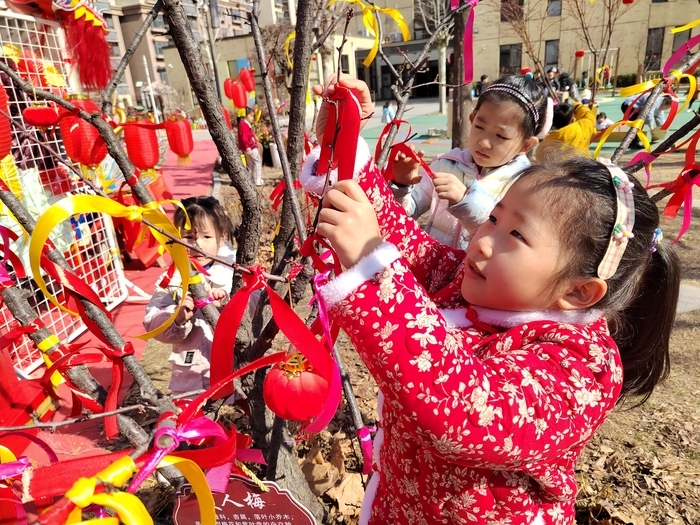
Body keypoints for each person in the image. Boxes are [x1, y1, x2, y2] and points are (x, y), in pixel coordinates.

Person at [304, 77, 680, 524]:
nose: (482, 241)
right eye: (494, 218)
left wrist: (371, 262)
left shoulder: (580, 367)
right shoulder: (471, 280)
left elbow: (462, 409)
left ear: (578, 291)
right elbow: (408, 244)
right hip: (400, 506)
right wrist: (343, 143)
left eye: (516, 235)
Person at [386, 75, 548, 249]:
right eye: (479, 127)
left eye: (500, 136)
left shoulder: (523, 187)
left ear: (526, 145)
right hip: (434, 267)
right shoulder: (445, 165)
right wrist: (401, 186)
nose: (484, 142)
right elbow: (406, 212)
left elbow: (503, 242)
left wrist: (466, 200)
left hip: (475, 274)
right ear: (472, 120)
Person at [143, 196, 238, 396]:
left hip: (234, 371)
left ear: (222, 237)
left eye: (206, 237)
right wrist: (176, 318)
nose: (197, 245)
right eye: (188, 236)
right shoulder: (172, 278)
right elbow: (151, 323)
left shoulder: (234, 272)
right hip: (191, 377)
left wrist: (230, 304)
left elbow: (256, 306)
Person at [237, 107, 264, 186]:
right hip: (250, 147)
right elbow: (244, 137)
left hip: (249, 146)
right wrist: (248, 147)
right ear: (246, 115)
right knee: (258, 162)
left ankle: (251, 179)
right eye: (251, 116)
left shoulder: (243, 124)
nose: (252, 118)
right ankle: (258, 179)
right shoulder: (244, 124)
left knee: (251, 164)